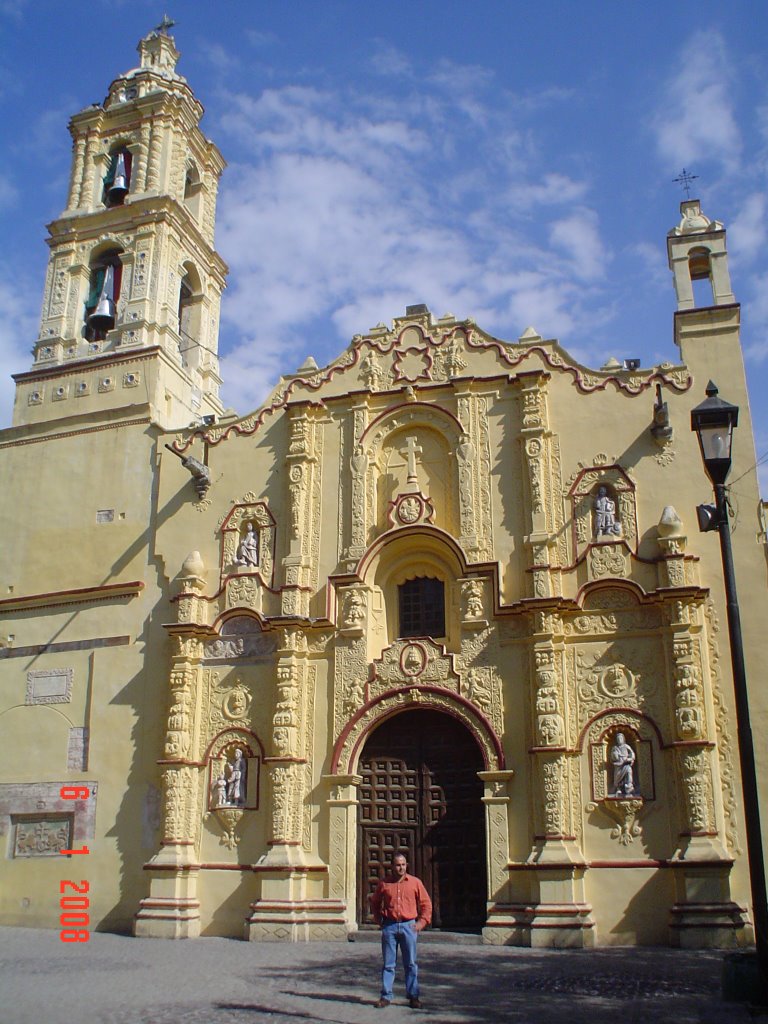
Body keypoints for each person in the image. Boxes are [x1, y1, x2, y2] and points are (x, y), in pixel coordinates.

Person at [370, 853, 432, 1009]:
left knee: (410, 963)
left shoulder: (415, 883)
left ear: (407, 865)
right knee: (388, 964)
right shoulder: (384, 884)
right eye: (398, 865)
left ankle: (413, 996)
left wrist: (421, 923)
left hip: (408, 926)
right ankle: (386, 996)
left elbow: (426, 904)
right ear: (392, 866)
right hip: (390, 926)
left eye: (403, 864)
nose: (401, 867)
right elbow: (375, 902)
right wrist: (379, 921)